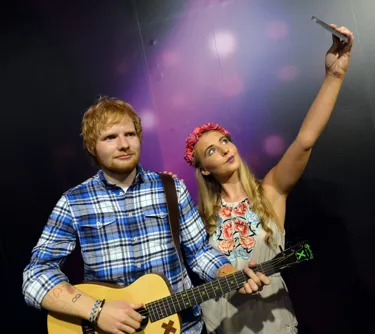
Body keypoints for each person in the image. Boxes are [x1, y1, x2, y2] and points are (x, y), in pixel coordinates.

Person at [22, 97, 270, 334]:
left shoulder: (171, 188)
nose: (123, 144)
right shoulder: (75, 202)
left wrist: (227, 273)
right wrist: (96, 310)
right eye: (110, 137)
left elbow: (199, 253)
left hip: (184, 328)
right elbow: (35, 277)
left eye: (130, 134)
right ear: (92, 147)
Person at [181, 25, 354, 333]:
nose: (224, 149)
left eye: (225, 140)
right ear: (203, 168)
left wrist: (334, 77)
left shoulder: (271, 191)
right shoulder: (197, 218)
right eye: (211, 150)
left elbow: (305, 140)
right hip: (223, 326)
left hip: (274, 325)